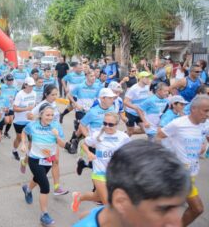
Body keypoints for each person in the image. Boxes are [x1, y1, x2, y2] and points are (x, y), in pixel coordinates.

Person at [72, 139, 191, 227]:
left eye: (179, 207)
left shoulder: (110, 211)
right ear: (121, 201)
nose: (177, 223)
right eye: (163, 209)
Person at [157, 95, 209, 226]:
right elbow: (159, 136)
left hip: (191, 173)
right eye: (206, 111)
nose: (208, 114)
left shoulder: (204, 124)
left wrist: (204, 145)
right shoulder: (178, 124)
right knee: (197, 208)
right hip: (178, 175)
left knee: (167, 206)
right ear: (193, 109)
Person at [72, 112, 130, 212]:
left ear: (117, 124)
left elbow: (130, 151)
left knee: (96, 196)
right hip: (99, 172)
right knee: (108, 203)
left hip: (114, 174)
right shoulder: (97, 135)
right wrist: (89, 153)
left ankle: (79, 197)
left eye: (110, 124)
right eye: (105, 123)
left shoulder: (123, 137)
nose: (107, 126)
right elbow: (83, 144)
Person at [20, 103, 65, 226]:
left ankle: (27, 189)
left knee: (37, 178)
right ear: (40, 115)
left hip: (48, 160)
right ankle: (44, 215)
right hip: (34, 159)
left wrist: (57, 136)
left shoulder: (56, 126)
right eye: (47, 115)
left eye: (52, 115)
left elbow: (62, 144)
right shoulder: (33, 125)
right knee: (45, 186)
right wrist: (23, 143)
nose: (50, 117)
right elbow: (24, 132)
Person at [65, 70, 101, 153]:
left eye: (94, 76)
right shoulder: (80, 86)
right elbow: (69, 95)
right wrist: (75, 104)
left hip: (91, 112)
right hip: (80, 111)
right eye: (91, 76)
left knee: (83, 129)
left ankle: (75, 139)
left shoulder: (97, 87)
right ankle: (77, 142)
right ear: (86, 77)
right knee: (83, 126)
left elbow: (99, 99)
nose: (93, 78)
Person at [12, 77, 37, 161]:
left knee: (31, 139)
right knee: (19, 138)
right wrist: (26, 109)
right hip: (19, 121)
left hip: (29, 120)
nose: (31, 87)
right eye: (30, 86)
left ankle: (28, 155)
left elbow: (34, 105)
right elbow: (15, 108)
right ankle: (14, 150)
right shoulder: (20, 94)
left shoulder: (34, 93)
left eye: (33, 86)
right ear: (25, 85)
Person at [123, 71, 152, 136]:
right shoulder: (134, 89)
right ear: (141, 78)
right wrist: (135, 107)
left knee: (146, 129)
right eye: (146, 77)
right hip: (131, 113)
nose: (148, 79)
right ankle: (125, 136)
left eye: (148, 78)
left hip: (141, 113)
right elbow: (125, 101)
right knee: (130, 132)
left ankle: (125, 133)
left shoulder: (147, 87)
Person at [1, 74, 17, 139]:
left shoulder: (15, 88)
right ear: (6, 80)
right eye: (9, 80)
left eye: (11, 80)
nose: (10, 81)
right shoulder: (2, 87)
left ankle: (6, 132)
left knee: (11, 120)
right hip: (4, 106)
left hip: (11, 106)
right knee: (7, 121)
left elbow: (16, 96)